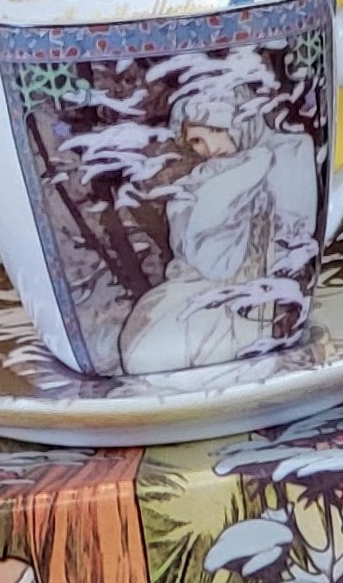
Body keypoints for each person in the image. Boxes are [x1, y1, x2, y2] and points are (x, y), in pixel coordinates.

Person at [115, 93, 321, 373]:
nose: (210, 147)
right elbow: (196, 243)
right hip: (204, 277)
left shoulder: (286, 154)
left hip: (253, 285)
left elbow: (294, 230)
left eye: (216, 130)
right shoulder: (208, 175)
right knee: (145, 336)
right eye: (196, 140)